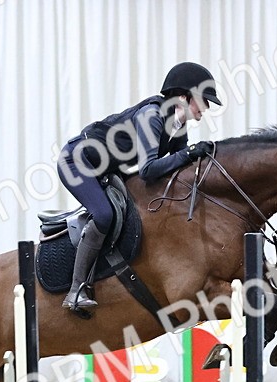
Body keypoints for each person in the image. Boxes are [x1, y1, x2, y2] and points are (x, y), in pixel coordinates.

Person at [59, 62, 224, 314]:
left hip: (104, 169)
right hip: (76, 162)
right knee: (104, 215)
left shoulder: (177, 126)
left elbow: (180, 168)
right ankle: (76, 290)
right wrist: (191, 152)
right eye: (203, 100)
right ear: (183, 96)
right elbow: (148, 170)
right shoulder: (152, 116)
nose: (207, 107)